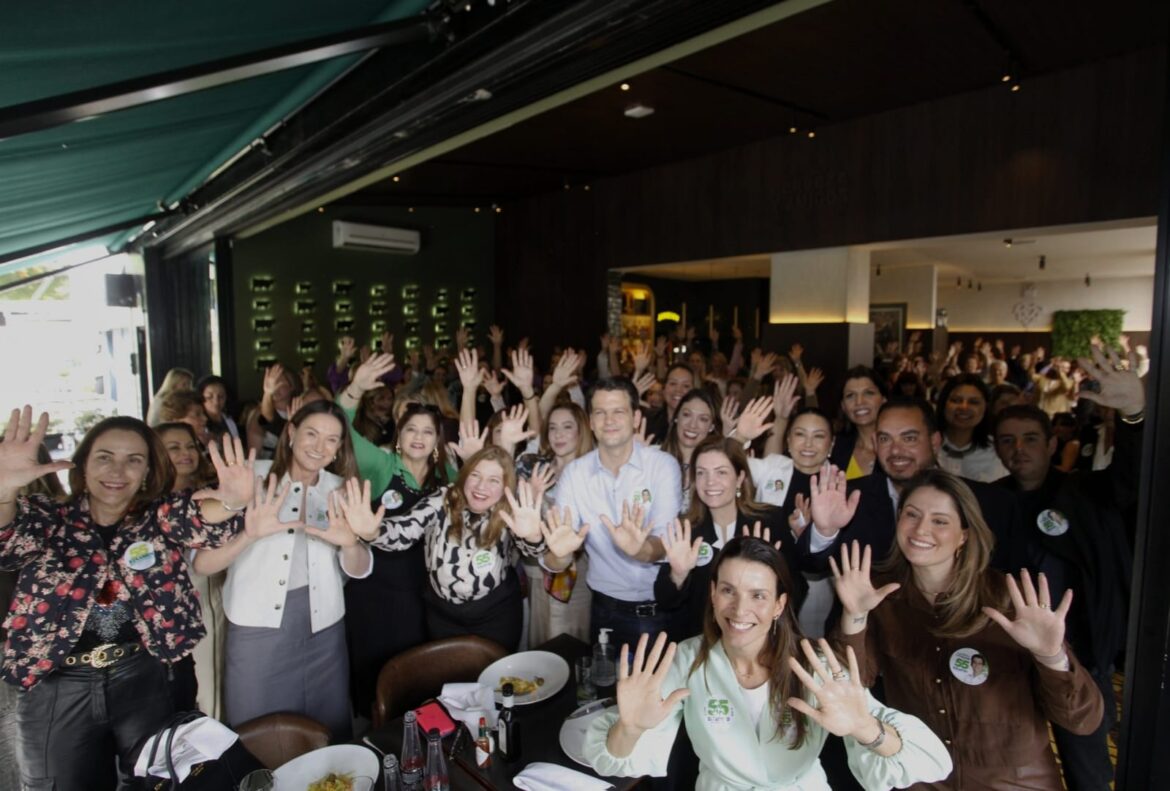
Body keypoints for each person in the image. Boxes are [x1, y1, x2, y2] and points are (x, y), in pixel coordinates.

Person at [0, 406, 262, 791]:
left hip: (145, 673)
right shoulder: (48, 518)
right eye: (105, 458)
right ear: (83, 465)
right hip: (57, 682)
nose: (117, 471)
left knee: (160, 780)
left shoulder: (159, 516)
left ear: (146, 474)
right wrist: (4, 489)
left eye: (133, 460)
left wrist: (232, 502)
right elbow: (7, 541)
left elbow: (201, 521)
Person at [584, 537, 953, 790]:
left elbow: (931, 762)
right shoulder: (685, 660)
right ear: (712, 594)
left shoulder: (816, 665)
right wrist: (629, 728)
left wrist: (865, 727)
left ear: (779, 605)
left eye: (758, 595)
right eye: (728, 590)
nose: (740, 610)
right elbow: (612, 759)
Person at [833, 469, 1104, 789]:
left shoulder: (1011, 599)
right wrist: (855, 616)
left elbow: (1082, 719)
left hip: (1013, 782)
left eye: (940, 520)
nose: (921, 529)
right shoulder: (880, 596)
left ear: (964, 534)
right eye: (912, 515)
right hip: (923, 778)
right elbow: (846, 686)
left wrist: (1051, 656)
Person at [991, 344, 1143, 791]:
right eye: (1007, 441)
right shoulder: (991, 500)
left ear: (1052, 443)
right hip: (1010, 661)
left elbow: (1133, 476)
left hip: (1080, 657)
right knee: (1013, 766)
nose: (1019, 450)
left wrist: (1135, 412)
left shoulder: (1090, 494)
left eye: (1030, 439)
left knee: (1088, 767)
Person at [194, 400, 371, 740]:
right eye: (311, 434)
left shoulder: (340, 490)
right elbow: (202, 563)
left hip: (325, 629)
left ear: (339, 448)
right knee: (258, 729)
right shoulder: (251, 479)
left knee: (327, 726)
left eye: (332, 439)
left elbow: (360, 569)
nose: (320, 447)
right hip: (257, 629)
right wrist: (249, 534)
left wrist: (351, 543)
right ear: (291, 432)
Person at [344, 445, 581, 651]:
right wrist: (372, 532)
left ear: (504, 487)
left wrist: (533, 535)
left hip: (496, 615)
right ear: (465, 475)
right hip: (442, 617)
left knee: (496, 685)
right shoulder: (444, 497)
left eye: (493, 480)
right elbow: (405, 530)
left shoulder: (512, 510)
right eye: (475, 475)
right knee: (448, 685)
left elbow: (533, 552)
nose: (481, 486)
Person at [553, 378, 682, 652]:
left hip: (656, 611)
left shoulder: (662, 466)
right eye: (600, 412)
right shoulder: (575, 474)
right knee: (601, 691)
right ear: (590, 421)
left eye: (618, 411)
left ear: (636, 417)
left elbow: (664, 543)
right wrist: (558, 556)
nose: (608, 420)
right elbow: (558, 551)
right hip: (603, 609)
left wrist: (640, 549)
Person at [655, 436, 807, 639]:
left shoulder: (770, 520)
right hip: (701, 644)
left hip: (759, 642)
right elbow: (665, 601)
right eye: (701, 473)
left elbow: (797, 588)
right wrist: (678, 574)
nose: (710, 482)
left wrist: (770, 570)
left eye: (721, 472)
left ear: (740, 477)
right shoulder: (686, 529)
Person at [515, 402, 595, 645]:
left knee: (569, 642)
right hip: (537, 572)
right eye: (552, 428)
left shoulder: (593, 473)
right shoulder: (537, 469)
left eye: (567, 427)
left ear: (581, 431)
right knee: (540, 641)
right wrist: (531, 494)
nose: (558, 434)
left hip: (578, 572)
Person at [154, 422, 218, 712]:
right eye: (174, 447)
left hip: (219, 598)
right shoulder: (148, 504)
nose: (186, 453)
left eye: (190, 445)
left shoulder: (213, 494)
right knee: (200, 687)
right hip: (178, 610)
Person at [934, 374, 1007, 483]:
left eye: (973, 402)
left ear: (985, 408)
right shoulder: (925, 447)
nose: (964, 407)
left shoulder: (998, 451)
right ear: (943, 404)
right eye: (956, 400)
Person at [661, 388, 722, 510]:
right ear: (676, 417)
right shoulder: (653, 457)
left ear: (711, 427)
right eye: (687, 415)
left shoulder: (719, 465)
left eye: (703, 419)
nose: (692, 425)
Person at [829, 368, 886, 480]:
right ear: (843, 406)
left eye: (868, 393)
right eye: (850, 396)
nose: (859, 402)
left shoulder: (899, 447)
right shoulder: (836, 448)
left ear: (883, 399)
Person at [197, 375, 240, 440]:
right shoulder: (198, 423)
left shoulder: (229, 420)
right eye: (209, 397)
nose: (216, 402)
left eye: (221, 396)